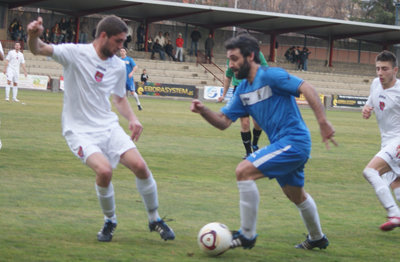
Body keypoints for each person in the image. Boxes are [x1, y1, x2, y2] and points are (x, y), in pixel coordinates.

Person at [27, 15, 175, 242]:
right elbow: (38, 49)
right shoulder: (75, 53)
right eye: (118, 41)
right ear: (103, 36)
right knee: (105, 171)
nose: (121, 47)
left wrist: (133, 119)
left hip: (107, 126)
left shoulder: (118, 66)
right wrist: (32, 35)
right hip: (78, 130)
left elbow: (119, 99)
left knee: (141, 167)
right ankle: (110, 221)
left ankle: (154, 219)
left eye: (123, 42)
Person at [191, 34, 336, 250]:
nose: (230, 65)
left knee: (243, 171)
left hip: (294, 141)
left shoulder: (271, 76)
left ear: (250, 56)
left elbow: (307, 88)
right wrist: (203, 111)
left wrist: (323, 122)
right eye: (229, 60)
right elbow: (223, 122)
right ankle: (317, 238)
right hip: (282, 144)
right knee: (296, 195)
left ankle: (247, 234)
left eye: (234, 59)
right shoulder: (241, 90)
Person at [362, 50, 400, 231]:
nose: (380, 73)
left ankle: (394, 214)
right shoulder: (376, 83)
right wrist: (367, 108)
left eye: (385, 69)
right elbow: (371, 100)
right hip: (387, 142)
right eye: (377, 68)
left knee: (370, 171)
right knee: (396, 184)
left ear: (395, 71)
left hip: (398, 141)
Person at [218, 50, 268, 159]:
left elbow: (265, 70)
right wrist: (223, 94)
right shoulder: (231, 56)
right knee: (245, 123)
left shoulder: (257, 54)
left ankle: (254, 144)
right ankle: (249, 152)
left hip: (255, 90)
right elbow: (228, 76)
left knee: (257, 123)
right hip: (239, 92)